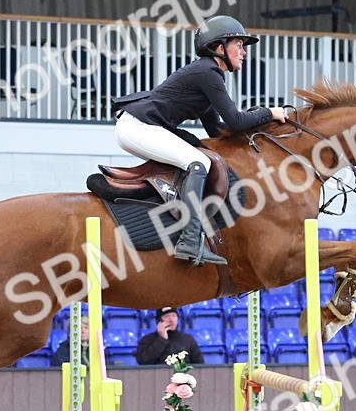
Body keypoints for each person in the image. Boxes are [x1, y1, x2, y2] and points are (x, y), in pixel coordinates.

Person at [113, 15, 288, 267]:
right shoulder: (208, 72)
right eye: (238, 45)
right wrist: (269, 113)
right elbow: (236, 121)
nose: (244, 52)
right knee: (198, 163)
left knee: (201, 153)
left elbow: (218, 129)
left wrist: (259, 131)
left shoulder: (207, 74)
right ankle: (190, 240)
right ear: (220, 48)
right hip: (137, 127)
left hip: (144, 126)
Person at [135, 307, 204, 366]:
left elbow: (200, 365)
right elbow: (143, 362)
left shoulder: (188, 339)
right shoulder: (147, 339)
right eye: (167, 316)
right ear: (159, 321)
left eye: (174, 316)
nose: (171, 320)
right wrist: (162, 339)